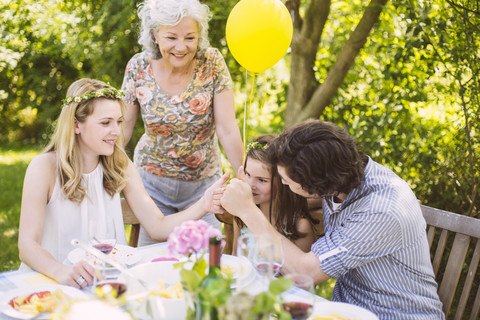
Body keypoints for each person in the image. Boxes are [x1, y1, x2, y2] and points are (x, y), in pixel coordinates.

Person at [219, 120, 445, 319]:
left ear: (317, 185)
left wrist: (248, 211)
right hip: (343, 309)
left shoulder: (380, 211)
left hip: (392, 314)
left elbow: (306, 272)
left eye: (286, 182)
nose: (284, 184)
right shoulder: (339, 177)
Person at [18, 78, 229, 289]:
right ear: (76, 125)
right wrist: (61, 272)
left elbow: (157, 226)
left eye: (118, 122)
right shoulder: (44, 168)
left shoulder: (119, 164)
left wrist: (204, 204)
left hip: (104, 283)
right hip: (50, 282)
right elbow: (27, 246)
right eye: (105, 123)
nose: (116, 131)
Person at [121, 0, 243, 246]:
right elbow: (121, 130)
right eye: (171, 38)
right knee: (151, 268)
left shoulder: (212, 62)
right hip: (150, 188)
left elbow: (227, 130)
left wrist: (246, 176)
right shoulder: (138, 66)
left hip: (204, 189)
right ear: (155, 35)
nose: (181, 47)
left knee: (209, 265)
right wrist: (103, 172)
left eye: (190, 37)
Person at [233, 135, 317, 253]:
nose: (250, 185)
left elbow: (302, 270)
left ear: (284, 182)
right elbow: (235, 259)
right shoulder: (242, 215)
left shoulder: (298, 226)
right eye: (247, 174)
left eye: (262, 180)